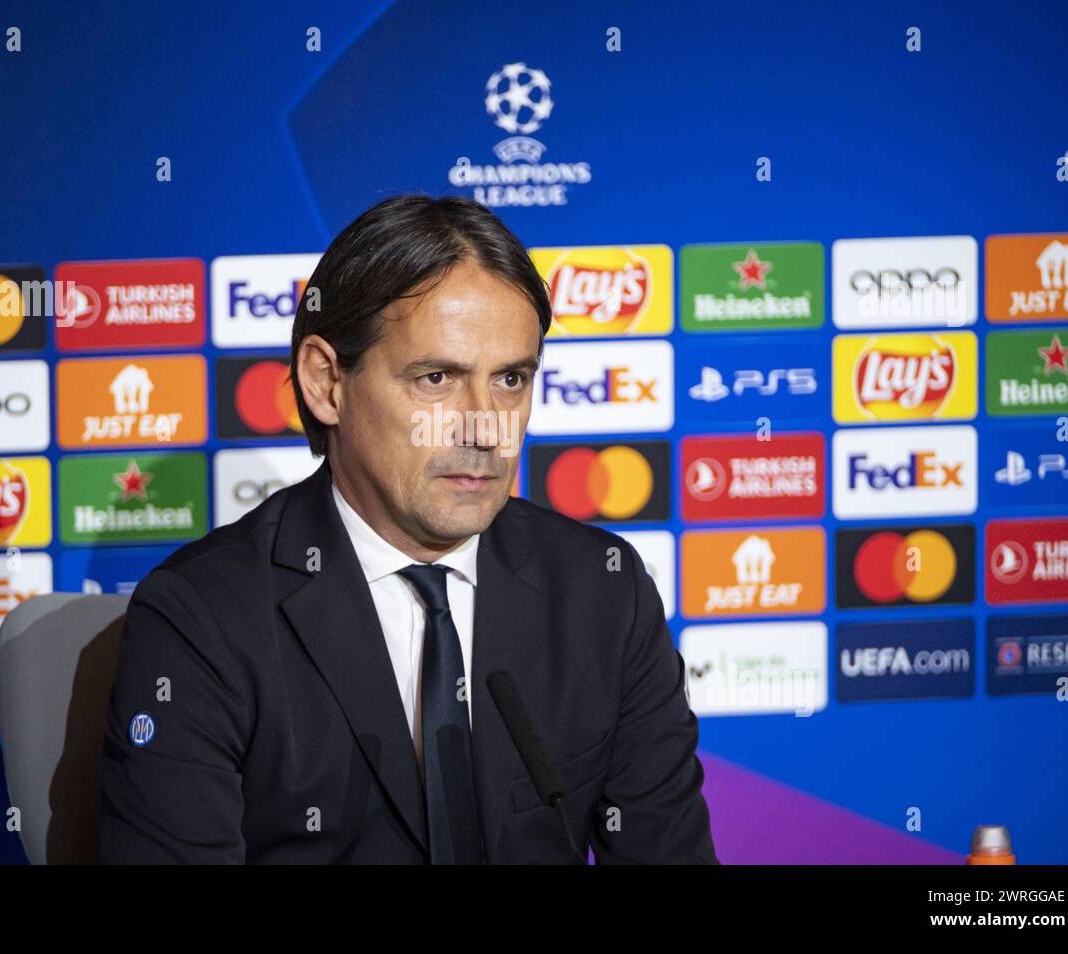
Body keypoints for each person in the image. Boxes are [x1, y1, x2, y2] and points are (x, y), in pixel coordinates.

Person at [98, 194, 717, 864]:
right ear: (326, 381)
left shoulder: (603, 591)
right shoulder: (201, 618)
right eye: (437, 378)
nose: (486, 426)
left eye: (511, 379)